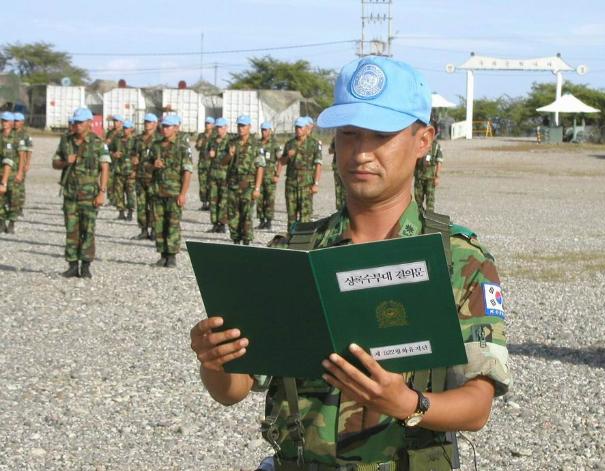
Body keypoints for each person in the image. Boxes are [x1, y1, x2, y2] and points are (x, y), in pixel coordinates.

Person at [190, 56, 511, 470]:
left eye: (381, 135)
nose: (361, 152)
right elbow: (233, 390)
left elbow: (477, 405)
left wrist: (405, 403)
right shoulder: (293, 254)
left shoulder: (458, 260)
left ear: (423, 141)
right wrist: (215, 360)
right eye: (349, 134)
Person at [51, 108, 110, 278]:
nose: (76, 125)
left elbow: (105, 167)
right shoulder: (66, 140)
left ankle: (85, 266)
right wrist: (64, 162)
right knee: (71, 230)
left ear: (89, 123)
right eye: (74, 122)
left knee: (88, 230)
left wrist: (102, 192)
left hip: (90, 195)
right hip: (70, 194)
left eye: (79, 122)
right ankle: (71, 265)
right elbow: (54, 163)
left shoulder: (98, 143)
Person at [146, 115, 193, 268]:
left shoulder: (182, 147)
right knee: (159, 224)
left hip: (174, 193)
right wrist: (154, 165)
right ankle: (162, 254)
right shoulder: (155, 146)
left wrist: (183, 193)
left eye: (168, 126)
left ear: (176, 128)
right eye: (163, 126)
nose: (165, 129)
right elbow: (145, 166)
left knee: (173, 224)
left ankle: (172, 256)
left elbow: (187, 171)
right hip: (158, 191)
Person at [275, 117, 322, 233]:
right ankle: (291, 240)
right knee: (291, 215)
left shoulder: (314, 144)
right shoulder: (289, 144)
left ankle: (303, 241)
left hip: (306, 185)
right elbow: (282, 162)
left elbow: (318, 165)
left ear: (307, 129)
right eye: (296, 127)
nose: (298, 130)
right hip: (291, 184)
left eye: (300, 127)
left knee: (305, 216)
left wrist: (316, 183)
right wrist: (287, 156)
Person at [226, 115, 265, 244]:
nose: (240, 128)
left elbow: (260, 166)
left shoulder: (256, 144)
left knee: (247, 214)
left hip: (249, 184)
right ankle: (236, 241)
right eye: (239, 126)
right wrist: (229, 155)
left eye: (243, 126)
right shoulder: (232, 142)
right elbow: (222, 162)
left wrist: (257, 188)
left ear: (249, 127)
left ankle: (247, 242)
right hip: (233, 184)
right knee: (233, 214)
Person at [131, 113, 160, 240]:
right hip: (140, 176)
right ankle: (143, 229)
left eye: (150, 122)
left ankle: (154, 230)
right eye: (146, 122)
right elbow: (132, 153)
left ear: (155, 124)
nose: (147, 124)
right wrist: (133, 159)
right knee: (141, 205)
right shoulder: (138, 139)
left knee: (154, 204)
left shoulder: (159, 139)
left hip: (153, 177)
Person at [207, 117, 235, 233]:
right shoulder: (212, 141)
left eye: (221, 127)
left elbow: (232, 158)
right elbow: (207, 155)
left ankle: (222, 223)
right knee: (213, 200)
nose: (219, 130)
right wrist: (209, 155)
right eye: (217, 127)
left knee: (223, 201)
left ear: (226, 128)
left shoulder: (230, 141)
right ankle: (215, 223)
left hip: (225, 175)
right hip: (213, 175)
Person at [0, 112, 24, 234]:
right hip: (0, 173)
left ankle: (12, 222)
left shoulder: (17, 137)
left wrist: (20, 172)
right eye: (2, 121)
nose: (3, 123)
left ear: (10, 122)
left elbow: (21, 156)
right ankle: (2, 221)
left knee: (14, 199)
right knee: (1, 199)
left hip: (13, 173)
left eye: (5, 121)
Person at [256, 121, 282, 229]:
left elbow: (280, 160)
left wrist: (277, 175)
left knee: (270, 199)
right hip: (259, 176)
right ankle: (261, 220)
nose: (264, 132)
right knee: (259, 199)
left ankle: (269, 221)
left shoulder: (275, 144)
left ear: (270, 131)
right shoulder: (257, 143)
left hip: (270, 176)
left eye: (266, 130)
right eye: (262, 130)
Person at [110, 119, 136, 220]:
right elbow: (109, 150)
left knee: (130, 193)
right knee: (118, 192)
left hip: (130, 171)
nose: (124, 130)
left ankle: (130, 212)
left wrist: (135, 170)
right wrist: (114, 154)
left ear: (131, 129)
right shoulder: (117, 139)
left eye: (127, 128)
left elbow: (139, 156)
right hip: (119, 170)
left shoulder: (135, 140)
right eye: (124, 128)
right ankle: (121, 212)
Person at [413, 130, 443, 211]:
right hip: (419, 176)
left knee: (430, 200)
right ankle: (419, 217)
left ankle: (429, 219)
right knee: (418, 199)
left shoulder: (436, 146)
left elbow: (439, 162)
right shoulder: (418, 144)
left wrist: (437, 176)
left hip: (430, 177)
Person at [13, 112, 32, 217]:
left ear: (22, 122)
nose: (15, 123)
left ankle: (19, 206)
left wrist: (27, 163)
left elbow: (29, 150)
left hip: (21, 164)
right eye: (14, 121)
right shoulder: (9, 132)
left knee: (20, 186)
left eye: (17, 121)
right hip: (11, 164)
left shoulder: (25, 134)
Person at [195, 116, 215, 211]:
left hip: (211, 164)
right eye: (206, 123)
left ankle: (212, 203)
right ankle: (204, 202)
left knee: (211, 183)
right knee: (202, 183)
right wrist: (198, 144)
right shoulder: (201, 136)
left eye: (209, 123)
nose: (207, 125)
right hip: (202, 163)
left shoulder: (215, 136)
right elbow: (197, 147)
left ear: (213, 125)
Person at [328, 137, 346, 210]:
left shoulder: (351, 137)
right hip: (337, 167)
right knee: (338, 189)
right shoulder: (335, 138)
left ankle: (346, 207)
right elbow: (330, 151)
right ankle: (339, 208)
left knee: (347, 188)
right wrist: (335, 148)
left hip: (347, 166)